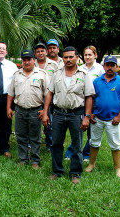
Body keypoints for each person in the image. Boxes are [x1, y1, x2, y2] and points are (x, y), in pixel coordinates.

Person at [42, 46, 95, 184]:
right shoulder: (57, 74)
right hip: (58, 113)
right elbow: (49, 93)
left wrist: (87, 117)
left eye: (71, 57)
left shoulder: (84, 75)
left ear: (77, 57)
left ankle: (75, 173)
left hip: (76, 115)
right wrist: (45, 112)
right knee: (56, 144)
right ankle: (57, 171)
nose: (68, 59)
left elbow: (89, 97)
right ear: (63, 58)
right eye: (65, 57)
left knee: (77, 145)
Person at [85, 55, 120, 179]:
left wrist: (119, 116)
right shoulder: (97, 81)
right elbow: (91, 98)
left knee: (116, 144)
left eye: (112, 65)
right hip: (97, 118)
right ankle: (91, 164)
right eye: (107, 65)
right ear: (104, 66)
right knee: (94, 142)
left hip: (113, 120)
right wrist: (91, 113)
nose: (110, 68)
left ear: (116, 67)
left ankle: (118, 170)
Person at [7, 50, 49, 169]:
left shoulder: (42, 74)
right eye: (24, 60)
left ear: (34, 60)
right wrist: (9, 108)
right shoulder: (17, 74)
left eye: (29, 59)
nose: (26, 62)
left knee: (35, 137)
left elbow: (48, 94)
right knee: (21, 136)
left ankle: (35, 160)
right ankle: (23, 159)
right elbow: (11, 93)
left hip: (36, 110)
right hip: (19, 110)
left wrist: (45, 111)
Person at [65, 45, 105, 161]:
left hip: (95, 102)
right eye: (86, 55)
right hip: (82, 102)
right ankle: (71, 152)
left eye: (90, 55)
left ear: (95, 55)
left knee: (92, 131)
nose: (87, 57)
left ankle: (86, 154)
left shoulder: (99, 69)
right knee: (79, 129)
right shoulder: (80, 69)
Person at [34, 42, 58, 152]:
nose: (40, 53)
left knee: (49, 122)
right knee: (34, 122)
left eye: (42, 51)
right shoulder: (31, 63)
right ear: (35, 53)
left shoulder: (54, 65)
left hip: (50, 97)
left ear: (46, 52)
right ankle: (33, 144)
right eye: (38, 51)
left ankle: (50, 144)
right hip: (35, 98)